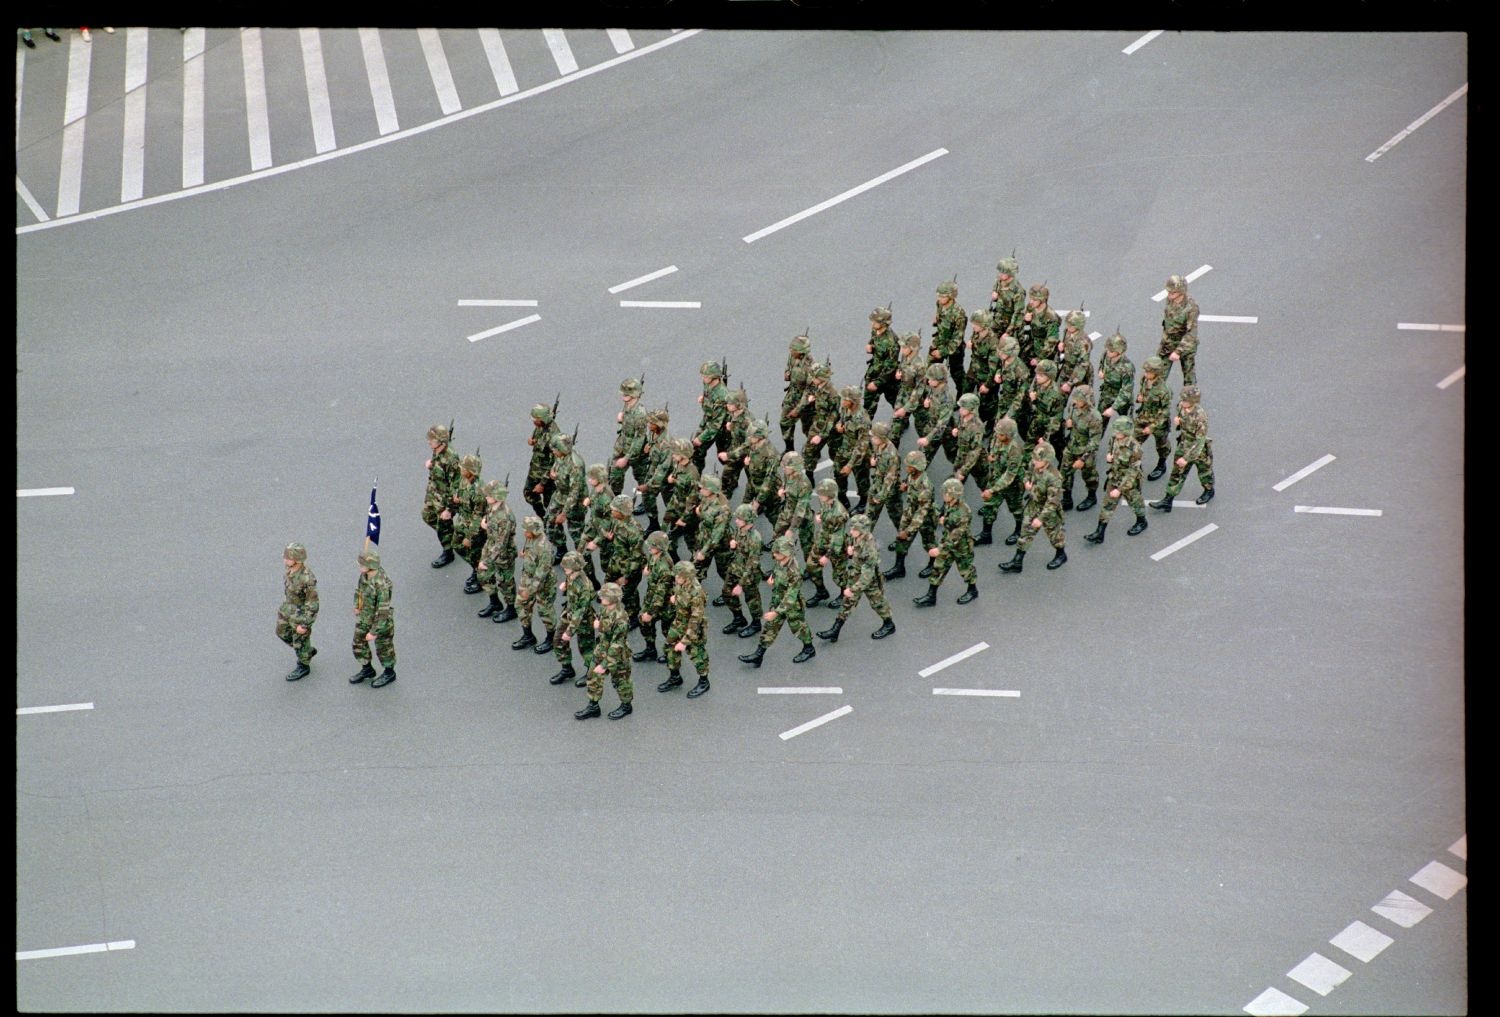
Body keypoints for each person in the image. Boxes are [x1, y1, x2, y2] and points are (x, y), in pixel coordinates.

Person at [739, 535, 816, 667]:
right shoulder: (780, 561)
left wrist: (776, 612)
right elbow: (777, 569)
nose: (774, 554)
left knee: (799, 628)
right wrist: (773, 577)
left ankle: (809, 648)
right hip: (778, 599)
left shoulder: (795, 572)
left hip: (791, 606)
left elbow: (791, 596)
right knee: (770, 627)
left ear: (786, 553)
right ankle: (759, 655)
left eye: (778, 552)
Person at [816, 514, 896, 641]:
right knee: (847, 603)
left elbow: (867, 575)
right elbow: (847, 541)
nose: (851, 531)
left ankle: (889, 624)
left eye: (854, 529)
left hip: (868, 581)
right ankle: (835, 630)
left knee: (878, 603)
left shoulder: (869, 549)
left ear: (862, 530)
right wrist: (851, 549)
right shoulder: (857, 537)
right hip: (855, 575)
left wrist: (853, 589)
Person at [999, 442, 1067, 573]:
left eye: (1037, 460)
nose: (1034, 461)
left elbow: (1053, 501)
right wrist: (1026, 483)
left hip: (1048, 511)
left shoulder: (1054, 477)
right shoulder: (1033, 465)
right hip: (1033, 504)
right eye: (1034, 458)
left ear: (1046, 461)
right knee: (1025, 532)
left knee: (1055, 535)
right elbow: (1026, 474)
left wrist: (1041, 519)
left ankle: (1061, 554)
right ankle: (1017, 561)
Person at [914, 477, 979, 607]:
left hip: (961, 546)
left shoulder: (962, 512)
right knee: (939, 566)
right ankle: (931, 596)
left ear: (953, 495)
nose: (944, 495)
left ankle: (972, 590)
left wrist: (940, 549)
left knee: (966, 569)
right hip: (948, 542)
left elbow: (956, 535)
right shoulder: (951, 504)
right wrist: (946, 521)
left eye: (946, 493)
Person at [1085, 417, 1150, 543]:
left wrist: (1120, 490)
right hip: (1114, 477)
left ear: (1125, 432)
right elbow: (1111, 448)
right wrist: (1109, 456)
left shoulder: (1135, 448)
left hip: (1129, 482)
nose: (1116, 433)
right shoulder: (1114, 439)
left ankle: (1142, 521)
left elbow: (1133, 471)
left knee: (1136, 503)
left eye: (1118, 431)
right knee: (1107, 505)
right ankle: (1100, 532)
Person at [576, 582, 633, 720]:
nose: (601, 599)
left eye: (604, 597)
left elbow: (617, 644)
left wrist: (605, 664)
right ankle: (593, 705)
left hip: (617, 655)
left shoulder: (621, 619)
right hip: (602, 649)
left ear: (613, 599)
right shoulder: (605, 609)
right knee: (593, 676)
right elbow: (603, 626)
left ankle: (626, 705)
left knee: (621, 680)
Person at [1152, 385, 1215, 509]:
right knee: (1177, 473)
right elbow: (1182, 419)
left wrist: (1186, 458)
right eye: (1183, 399)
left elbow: (1200, 441)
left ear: (1193, 401)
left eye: (1186, 400)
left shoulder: (1200, 416)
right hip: (1184, 444)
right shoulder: (1181, 406)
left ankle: (1209, 490)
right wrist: (1179, 421)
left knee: (1204, 472)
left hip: (1198, 450)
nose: (1183, 402)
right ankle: (1168, 500)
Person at [883, 449, 935, 581]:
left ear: (916, 468)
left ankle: (933, 565)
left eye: (909, 466)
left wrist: (909, 531)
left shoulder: (925, 487)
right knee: (901, 539)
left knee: (929, 543)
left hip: (925, 517)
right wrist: (906, 487)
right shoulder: (913, 476)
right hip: (911, 510)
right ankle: (899, 568)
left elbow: (921, 513)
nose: (907, 468)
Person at [661, 561, 711, 698]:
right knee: (669, 648)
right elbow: (680, 596)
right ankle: (675, 676)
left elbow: (696, 619)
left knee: (697, 655)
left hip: (692, 628)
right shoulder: (681, 583)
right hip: (679, 622)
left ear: (687, 577)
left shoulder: (697, 593)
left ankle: (704, 681)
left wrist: (684, 641)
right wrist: (676, 599)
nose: (676, 578)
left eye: (678, 576)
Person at [350, 546, 396, 687]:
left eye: (361, 564)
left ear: (370, 566)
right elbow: (359, 591)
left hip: (380, 622)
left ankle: (389, 672)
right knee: (358, 643)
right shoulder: (364, 576)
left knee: (384, 648)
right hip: (365, 616)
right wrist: (357, 605)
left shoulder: (381, 584)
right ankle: (367, 669)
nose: (359, 566)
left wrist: (374, 631)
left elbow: (383, 611)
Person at [510, 517, 557, 654]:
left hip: (542, 582)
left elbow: (542, 573)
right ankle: (528, 636)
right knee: (520, 604)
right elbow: (529, 549)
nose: (524, 533)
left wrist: (529, 590)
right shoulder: (531, 537)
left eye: (527, 531)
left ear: (535, 531)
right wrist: (525, 554)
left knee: (545, 610)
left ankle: (551, 639)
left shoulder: (544, 547)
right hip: (528, 577)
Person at [977, 416, 1025, 546]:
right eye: (997, 432)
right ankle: (986, 534)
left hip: (1013, 484)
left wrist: (992, 490)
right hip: (997, 478)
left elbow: (1010, 474)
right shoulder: (997, 439)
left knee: (1016, 509)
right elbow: (993, 449)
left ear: (1008, 435)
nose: (997, 435)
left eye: (1001, 434)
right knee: (990, 505)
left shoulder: (1015, 449)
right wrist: (991, 456)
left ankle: (1019, 530)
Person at [550, 551, 596, 687]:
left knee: (587, 648)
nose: (564, 568)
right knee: (558, 640)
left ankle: (591, 674)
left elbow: (580, 613)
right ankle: (567, 668)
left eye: (567, 567)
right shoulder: (570, 575)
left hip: (583, 620)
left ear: (576, 567)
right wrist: (565, 586)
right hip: (569, 612)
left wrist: (569, 632)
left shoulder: (585, 586)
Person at [476, 477, 518, 623]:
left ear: (496, 497)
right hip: (490, 545)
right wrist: (485, 522)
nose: (486, 496)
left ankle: (511, 608)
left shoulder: (505, 517)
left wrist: (487, 561)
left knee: (505, 582)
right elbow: (489, 516)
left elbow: (501, 543)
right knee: (483, 575)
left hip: (503, 553)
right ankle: (494, 602)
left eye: (489, 495)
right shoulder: (492, 507)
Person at [600, 494, 645, 628]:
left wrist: (626, 577)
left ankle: (633, 616)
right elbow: (606, 527)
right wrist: (607, 534)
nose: (611, 511)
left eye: (614, 510)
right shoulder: (616, 520)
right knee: (608, 585)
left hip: (629, 568)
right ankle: (610, 607)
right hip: (616, 561)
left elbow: (636, 557)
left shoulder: (634, 532)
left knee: (628, 594)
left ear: (622, 513)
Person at [802, 477, 848, 609]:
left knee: (839, 574)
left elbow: (838, 538)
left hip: (834, 546)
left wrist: (827, 556)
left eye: (822, 494)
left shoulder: (839, 513)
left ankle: (844, 595)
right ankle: (821, 591)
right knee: (811, 566)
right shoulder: (826, 501)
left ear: (830, 495)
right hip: (822, 539)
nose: (819, 496)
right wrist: (819, 514)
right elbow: (822, 510)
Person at [277, 542, 319, 681]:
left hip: (300, 615)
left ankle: (303, 665)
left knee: (300, 640)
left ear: (298, 559)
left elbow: (313, 603)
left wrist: (305, 624)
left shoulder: (307, 578)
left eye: (288, 558)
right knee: (282, 632)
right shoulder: (290, 569)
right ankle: (306, 651)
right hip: (288, 609)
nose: (285, 560)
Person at [1059, 384, 1103, 512]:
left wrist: (1082, 459)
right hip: (1071, 446)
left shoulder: (1094, 417)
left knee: (1089, 476)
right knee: (1065, 473)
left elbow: (1094, 442)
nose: (1075, 401)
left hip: (1085, 451)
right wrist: (1068, 424)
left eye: (1078, 400)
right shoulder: (1074, 407)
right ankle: (1067, 499)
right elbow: (1071, 421)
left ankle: (1091, 497)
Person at [422, 424, 460, 568]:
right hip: (434, 494)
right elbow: (439, 467)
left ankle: (448, 551)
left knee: (443, 524)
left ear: (441, 442)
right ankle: (450, 535)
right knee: (427, 516)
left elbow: (456, 486)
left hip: (445, 500)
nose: (429, 442)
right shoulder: (437, 450)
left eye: (432, 439)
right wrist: (432, 465)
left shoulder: (451, 459)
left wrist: (449, 509)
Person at [724, 504, 764, 639]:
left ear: (747, 520)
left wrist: (741, 585)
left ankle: (756, 623)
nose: (736, 521)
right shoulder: (739, 530)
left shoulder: (755, 538)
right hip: (735, 568)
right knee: (727, 593)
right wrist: (733, 546)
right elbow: (737, 550)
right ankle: (738, 617)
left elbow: (752, 564)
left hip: (748, 574)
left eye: (739, 519)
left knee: (752, 599)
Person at [634, 530, 673, 665]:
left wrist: (651, 613)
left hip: (665, 602)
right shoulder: (654, 556)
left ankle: (671, 654)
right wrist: (648, 568)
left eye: (653, 546)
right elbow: (649, 566)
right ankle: (650, 649)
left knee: (667, 630)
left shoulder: (664, 568)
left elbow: (660, 594)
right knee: (644, 622)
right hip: (652, 595)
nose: (649, 548)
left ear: (660, 548)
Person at [545, 432, 586, 561]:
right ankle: (561, 549)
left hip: (575, 501)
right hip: (560, 494)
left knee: (576, 531)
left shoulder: (575, 465)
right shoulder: (561, 456)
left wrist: (564, 513)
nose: (553, 452)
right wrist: (553, 473)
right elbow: (557, 466)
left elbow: (575, 492)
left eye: (555, 450)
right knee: (550, 522)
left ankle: (581, 558)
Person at [832, 384, 872, 512]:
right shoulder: (845, 408)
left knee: (862, 480)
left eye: (845, 399)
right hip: (845, 447)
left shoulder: (862, 420)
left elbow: (862, 446)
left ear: (853, 402)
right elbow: (842, 418)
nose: (842, 401)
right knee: (838, 473)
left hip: (859, 454)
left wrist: (850, 465)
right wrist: (840, 425)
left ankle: (863, 503)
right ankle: (842, 496)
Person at [452, 452, 487, 594]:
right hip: (463, 521)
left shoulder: (478, 491)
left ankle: (481, 578)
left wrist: (470, 537)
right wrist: (457, 500)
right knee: (456, 545)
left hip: (474, 529)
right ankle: (476, 568)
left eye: (464, 468)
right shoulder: (464, 480)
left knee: (476, 554)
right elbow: (460, 492)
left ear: (471, 472)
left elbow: (478, 516)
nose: (461, 469)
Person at [1134, 356, 1174, 481]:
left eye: (1149, 372)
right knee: (1133, 441)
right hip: (1144, 417)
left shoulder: (1163, 390)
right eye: (1145, 371)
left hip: (1158, 423)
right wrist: (1139, 397)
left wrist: (1152, 427)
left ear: (1156, 373)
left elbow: (1165, 411)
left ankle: (1161, 465)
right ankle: (1135, 468)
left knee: (1162, 446)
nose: (1146, 374)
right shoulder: (1144, 380)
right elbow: (1142, 392)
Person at [609, 377, 651, 496]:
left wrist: (626, 458)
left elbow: (639, 438)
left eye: (627, 394)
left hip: (636, 452)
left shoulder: (640, 414)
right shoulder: (627, 405)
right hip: (623, 446)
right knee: (615, 475)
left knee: (641, 476)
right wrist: (622, 419)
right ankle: (616, 499)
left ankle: (646, 501)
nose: (623, 397)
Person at [1158, 274, 1201, 384]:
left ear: (1181, 292)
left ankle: (1189, 400)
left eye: (1173, 293)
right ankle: (1158, 399)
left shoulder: (1191, 308)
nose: (1169, 295)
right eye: (1169, 292)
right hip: (1168, 343)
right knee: (1157, 373)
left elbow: (1191, 333)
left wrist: (1178, 351)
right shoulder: (1171, 300)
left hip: (1185, 345)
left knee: (1188, 375)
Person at [634, 405, 672, 531]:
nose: (649, 424)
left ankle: (677, 526)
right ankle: (654, 524)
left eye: (652, 422)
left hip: (667, 477)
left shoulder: (666, 444)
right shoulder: (653, 433)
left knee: (671, 504)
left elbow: (663, 469)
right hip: (654, 469)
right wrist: (648, 448)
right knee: (647, 497)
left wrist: (649, 485)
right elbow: (651, 445)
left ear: (660, 425)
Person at [771, 450, 815, 560]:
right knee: (778, 534)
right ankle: (781, 561)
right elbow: (785, 485)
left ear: (795, 468)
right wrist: (782, 490)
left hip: (802, 517)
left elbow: (800, 511)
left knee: (807, 544)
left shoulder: (804, 484)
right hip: (788, 510)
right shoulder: (788, 474)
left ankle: (811, 573)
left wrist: (791, 529)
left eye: (786, 466)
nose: (783, 468)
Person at [800, 359, 840, 479]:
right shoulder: (818, 387)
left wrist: (821, 435)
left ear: (821, 378)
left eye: (814, 376)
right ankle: (809, 476)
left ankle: (838, 478)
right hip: (818, 424)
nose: (812, 378)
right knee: (808, 451)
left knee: (836, 454)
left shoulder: (833, 394)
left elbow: (833, 416)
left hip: (829, 428)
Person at [1095, 330, 1135, 446]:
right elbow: (1102, 365)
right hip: (1107, 393)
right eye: (1108, 349)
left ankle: (1125, 449)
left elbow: (1126, 391)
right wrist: (1101, 371)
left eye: (1111, 350)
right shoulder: (1106, 355)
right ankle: (1095, 445)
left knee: (1125, 426)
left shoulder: (1127, 368)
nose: (1108, 352)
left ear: (1119, 352)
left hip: (1122, 399)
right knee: (1099, 422)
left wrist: (1113, 408)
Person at [864, 421, 903, 538]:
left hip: (890, 491)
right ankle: (864, 539)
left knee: (897, 517)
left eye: (874, 437)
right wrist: (873, 463)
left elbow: (890, 478)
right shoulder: (878, 445)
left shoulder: (892, 455)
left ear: (882, 438)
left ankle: (902, 539)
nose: (872, 439)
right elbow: (876, 458)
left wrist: (880, 496)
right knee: (870, 515)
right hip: (877, 484)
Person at [887, 330, 926, 447]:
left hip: (917, 401)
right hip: (903, 393)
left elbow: (919, 390)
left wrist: (906, 408)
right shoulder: (905, 356)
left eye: (904, 347)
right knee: (895, 427)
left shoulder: (920, 366)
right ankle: (891, 455)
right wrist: (899, 373)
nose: (902, 349)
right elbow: (902, 366)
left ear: (913, 348)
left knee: (922, 428)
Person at [930, 280, 969, 395]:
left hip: (953, 348)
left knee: (957, 373)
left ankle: (963, 394)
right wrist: (936, 320)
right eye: (939, 296)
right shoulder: (940, 304)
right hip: (940, 340)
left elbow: (957, 338)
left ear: (951, 296)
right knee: (930, 370)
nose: (940, 299)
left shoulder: (959, 314)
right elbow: (940, 316)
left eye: (943, 296)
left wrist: (943, 352)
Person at [915, 362, 957, 466]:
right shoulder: (934, 388)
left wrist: (927, 438)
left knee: (953, 454)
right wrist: (926, 404)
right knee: (923, 456)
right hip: (932, 424)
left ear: (939, 381)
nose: (928, 381)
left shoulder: (947, 399)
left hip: (945, 431)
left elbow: (942, 424)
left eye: (931, 379)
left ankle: (960, 471)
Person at [1026, 358, 1067, 465]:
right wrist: (1033, 400)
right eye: (1037, 374)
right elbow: (1033, 396)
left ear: (1049, 377)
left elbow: (1055, 420)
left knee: (1059, 452)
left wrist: (1045, 438)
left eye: (1041, 375)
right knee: (1028, 448)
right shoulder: (1037, 383)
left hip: (1051, 430)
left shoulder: (1057, 395)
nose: (1037, 377)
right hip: (1037, 422)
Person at [691, 360, 730, 471]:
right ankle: (695, 478)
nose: (702, 378)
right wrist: (704, 398)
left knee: (723, 455)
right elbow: (707, 393)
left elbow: (715, 425)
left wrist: (701, 438)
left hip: (720, 427)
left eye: (705, 376)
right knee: (697, 451)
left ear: (714, 377)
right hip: (709, 419)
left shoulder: (722, 396)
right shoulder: (708, 383)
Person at [779, 332, 815, 453]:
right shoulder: (792, 357)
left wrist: (798, 410)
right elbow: (788, 367)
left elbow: (809, 391)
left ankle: (813, 450)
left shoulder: (810, 367)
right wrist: (787, 373)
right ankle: (789, 449)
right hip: (792, 395)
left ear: (800, 352)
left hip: (805, 402)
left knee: (808, 429)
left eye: (793, 349)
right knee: (784, 422)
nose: (790, 350)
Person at [524, 404, 561, 522]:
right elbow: (539, 439)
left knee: (549, 504)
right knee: (528, 493)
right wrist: (533, 441)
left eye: (536, 420)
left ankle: (553, 528)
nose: (534, 422)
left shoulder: (553, 436)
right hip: (535, 469)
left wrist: (542, 483)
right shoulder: (541, 426)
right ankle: (543, 518)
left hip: (546, 474)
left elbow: (555, 463)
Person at [862, 304, 900, 416]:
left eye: (875, 322)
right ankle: (864, 428)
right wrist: (871, 346)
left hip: (886, 377)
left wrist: (877, 383)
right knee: (868, 405)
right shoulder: (875, 330)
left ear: (884, 324)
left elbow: (891, 365)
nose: (872, 324)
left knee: (894, 399)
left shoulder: (891, 342)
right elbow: (874, 340)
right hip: (874, 371)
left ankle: (901, 421)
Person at [716, 388, 752, 499]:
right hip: (736, 449)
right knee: (726, 476)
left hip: (748, 454)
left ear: (738, 405)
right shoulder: (734, 413)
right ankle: (725, 496)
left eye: (730, 403)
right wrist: (731, 427)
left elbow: (749, 444)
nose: (727, 405)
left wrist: (728, 455)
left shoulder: (748, 421)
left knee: (754, 481)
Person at [1017, 283, 1061, 372]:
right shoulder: (1031, 307)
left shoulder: (1051, 318)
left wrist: (1039, 359)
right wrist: (1026, 321)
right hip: (1032, 344)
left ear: (1042, 300)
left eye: (1034, 299)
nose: (1031, 302)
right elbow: (1022, 324)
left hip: (1045, 352)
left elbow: (1051, 342)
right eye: (1030, 298)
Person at [988, 256, 1027, 337]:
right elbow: (996, 288)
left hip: (1010, 325)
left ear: (1010, 273)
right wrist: (994, 294)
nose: (1000, 275)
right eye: (1000, 272)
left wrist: (1008, 333)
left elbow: (1018, 314)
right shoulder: (1000, 281)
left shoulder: (1018, 291)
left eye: (1003, 273)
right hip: (998, 320)